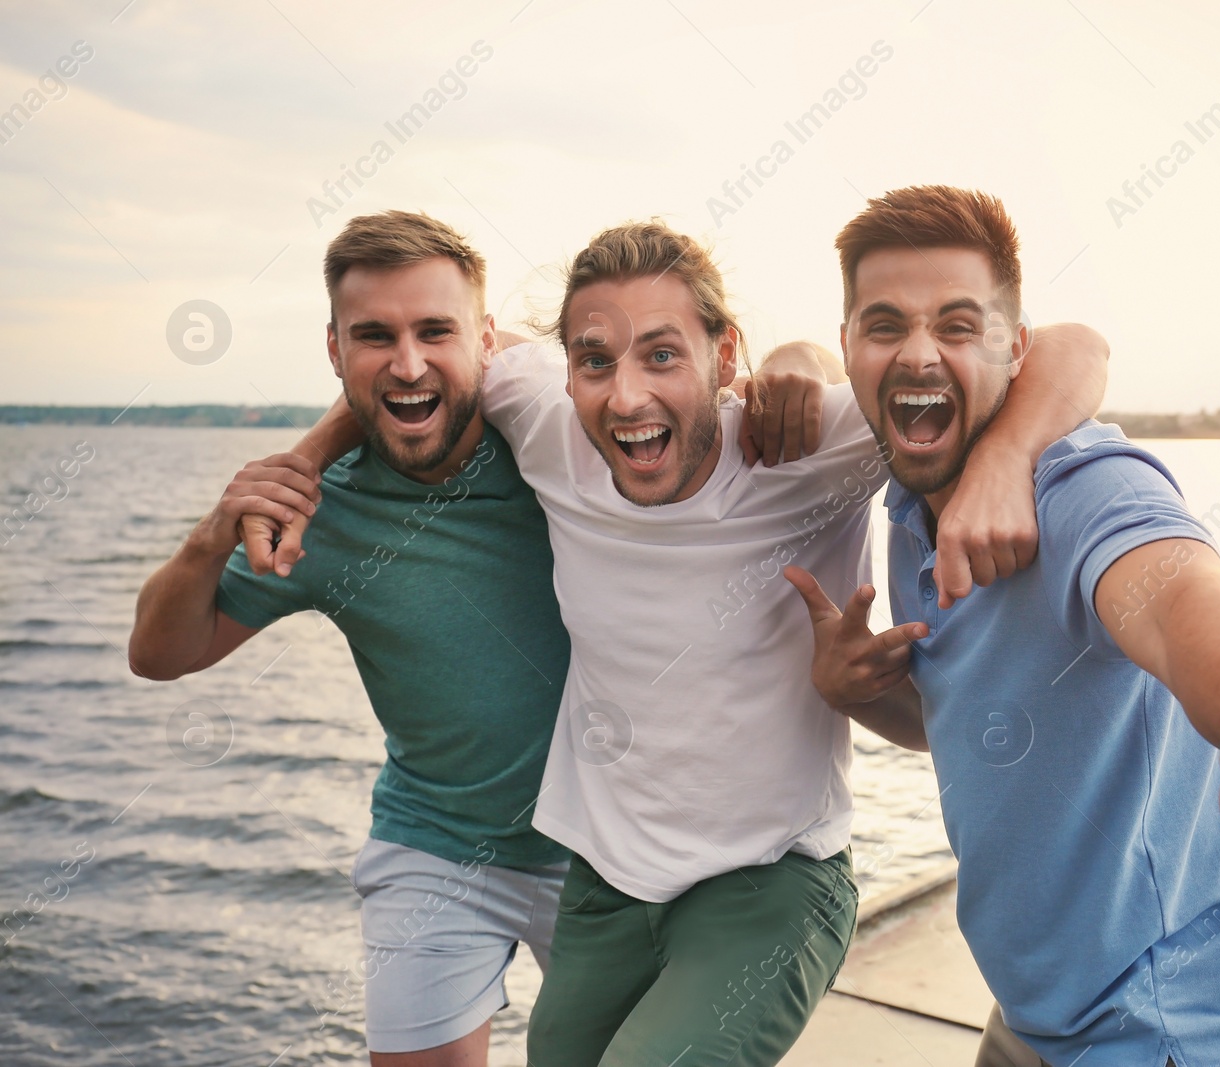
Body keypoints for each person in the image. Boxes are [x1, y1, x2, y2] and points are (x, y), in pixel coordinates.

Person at [268, 216, 1110, 1065]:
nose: (626, 395)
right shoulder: (542, 414)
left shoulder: (811, 443)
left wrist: (1002, 460)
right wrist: (305, 461)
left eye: (663, 354)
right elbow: (419, 367)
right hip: (608, 884)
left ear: (726, 354)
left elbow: (1077, 348)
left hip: (772, 884)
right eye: (595, 360)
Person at [127, 210, 820, 1065]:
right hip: (436, 844)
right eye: (373, 336)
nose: (408, 360)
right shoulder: (320, 513)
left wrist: (802, 359)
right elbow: (159, 654)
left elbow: (633, 384)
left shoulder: (558, 443)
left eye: (435, 330)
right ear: (335, 349)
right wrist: (214, 531)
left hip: (611, 851)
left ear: (486, 342)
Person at [787, 185, 1220, 1067]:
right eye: (885, 326)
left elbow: (1191, 608)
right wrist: (849, 694)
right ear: (850, 347)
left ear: (1014, 347)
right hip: (1041, 1012)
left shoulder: (1088, 488)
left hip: (1164, 1027)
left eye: (958, 325)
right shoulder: (910, 507)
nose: (919, 353)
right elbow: (971, 725)